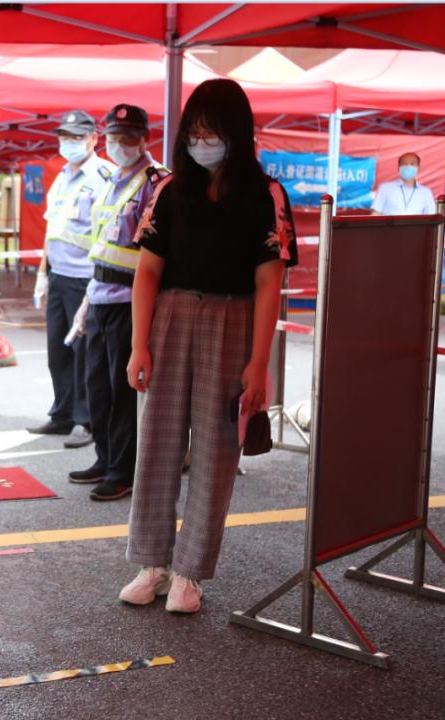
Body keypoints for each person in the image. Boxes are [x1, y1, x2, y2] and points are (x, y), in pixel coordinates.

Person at [121, 79, 298, 614]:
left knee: (218, 452)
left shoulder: (266, 195)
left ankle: (190, 574)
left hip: (233, 318)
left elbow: (270, 282)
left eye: (213, 133)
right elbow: (147, 272)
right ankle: (152, 563)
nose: (202, 143)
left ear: (236, 135)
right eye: (195, 133)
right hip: (169, 317)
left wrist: (259, 364)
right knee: (157, 443)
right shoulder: (171, 191)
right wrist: (138, 347)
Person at [68, 104, 168, 501]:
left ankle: (123, 470)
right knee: (97, 386)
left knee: (122, 388)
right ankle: (105, 457)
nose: (119, 145)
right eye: (113, 138)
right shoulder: (110, 179)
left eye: (128, 138)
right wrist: (88, 299)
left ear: (145, 139)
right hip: (101, 294)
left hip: (131, 298)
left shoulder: (155, 182)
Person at [28, 110, 116, 450]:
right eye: (65, 137)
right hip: (58, 274)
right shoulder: (62, 176)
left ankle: (85, 419)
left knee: (83, 352)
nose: (70, 143)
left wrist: (97, 281)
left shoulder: (102, 175)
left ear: (94, 139)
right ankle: (62, 412)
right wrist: (41, 273)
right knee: (57, 350)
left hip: (85, 277)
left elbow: (107, 231)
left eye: (78, 137)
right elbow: (53, 231)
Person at [371, 152, 436, 215]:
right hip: (390, 226)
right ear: (399, 167)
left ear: (418, 167)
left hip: (416, 226)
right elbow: (375, 214)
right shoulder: (385, 188)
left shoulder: (426, 192)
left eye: (412, 164)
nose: (408, 166)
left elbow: (431, 218)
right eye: (404, 164)